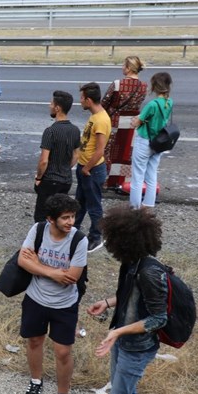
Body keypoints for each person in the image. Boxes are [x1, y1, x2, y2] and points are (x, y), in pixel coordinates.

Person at [86, 206, 167, 394]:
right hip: (121, 340)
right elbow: (132, 297)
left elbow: (159, 318)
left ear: (125, 240)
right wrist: (107, 303)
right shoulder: (131, 263)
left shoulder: (149, 272)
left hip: (138, 346)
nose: (108, 245)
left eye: (111, 240)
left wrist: (118, 333)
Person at [17, 193, 87, 394]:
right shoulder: (37, 230)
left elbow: (72, 277)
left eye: (73, 216)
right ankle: (36, 381)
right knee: (34, 341)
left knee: (63, 352)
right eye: (65, 218)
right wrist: (52, 272)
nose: (70, 222)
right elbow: (22, 260)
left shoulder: (79, 240)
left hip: (65, 305)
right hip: (35, 299)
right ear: (51, 219)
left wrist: (37, 264)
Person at [74, 82, 110, 253]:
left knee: (94, 206)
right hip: (85, 168)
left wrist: (87, 168)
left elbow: (100, 150)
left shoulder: (101, 120)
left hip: (92, 170)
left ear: (88, 100)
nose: (80, 101)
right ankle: (73, 231)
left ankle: (96, 238)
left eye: (82, 98)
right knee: (79, 204)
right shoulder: (94, 117)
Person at [34, 91, 81, 222]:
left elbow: (44, 161)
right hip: (66, 180)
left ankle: (42, 241)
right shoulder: (75, 130)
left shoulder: (50, 131)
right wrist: (65, 167)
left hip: (50, 180)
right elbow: (76, 154)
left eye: (51, 103)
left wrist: (38, 178)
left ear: (57, 108)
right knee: (59, 215)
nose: (49, 106)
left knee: (42, 216)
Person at [101, 56, 147, 191]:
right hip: (132, 124)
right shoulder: (143, 86)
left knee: (108, 152)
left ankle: (107, 181)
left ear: (129, 68)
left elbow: (105, 103)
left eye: (123, 65)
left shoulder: (117, 84)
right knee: (126, 153)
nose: (122, 68)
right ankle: (123, 182)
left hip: (114, 122)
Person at [129, 72, 173, 209]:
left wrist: (135, 121)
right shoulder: (169, 102)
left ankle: (135, 208)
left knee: (137, 176)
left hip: (144, 141)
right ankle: (148, 204)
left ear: (155, 86)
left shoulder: (152, 104)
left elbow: (137, 122)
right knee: (151, 175)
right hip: (158, 142)